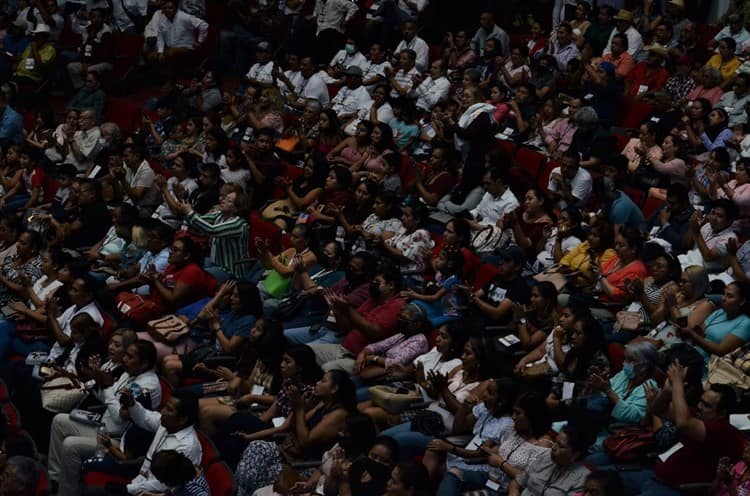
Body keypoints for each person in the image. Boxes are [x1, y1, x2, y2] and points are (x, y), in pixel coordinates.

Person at [47, 340, 162, 496]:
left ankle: (67, 492)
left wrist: (107, 387)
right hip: (102, 425)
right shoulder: (129, 373)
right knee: (59, 420)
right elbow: (106, 399)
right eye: (126, 355)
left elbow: (119, 418)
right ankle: (55, 479)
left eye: (130, 356)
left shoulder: (146, 386)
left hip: (116, 439)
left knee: (70, 445)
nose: (124, 359)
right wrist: (99, 379)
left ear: (144, 363)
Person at [619, 364, 744, 496]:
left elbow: (683, 423)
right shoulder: (698, 416)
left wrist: (678, 384)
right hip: (654, 475)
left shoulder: (725, 431)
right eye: (700, 401)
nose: (699, 406)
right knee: (603, 478)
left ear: (722, 413)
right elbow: (658, 410)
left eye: (706, 405)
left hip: (676, 489)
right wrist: (667, 392)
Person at [234, 370, 356, 495]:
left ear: (334, 389)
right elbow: (294, 426)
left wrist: (299, 408)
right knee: (257, 446)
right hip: (287, 452)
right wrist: (302, 404)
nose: (317, 383)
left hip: (304, 465)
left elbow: (305, 441)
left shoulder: (338, 414)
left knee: (263, 471)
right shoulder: (321, 404)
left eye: (323, 381)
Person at [508, 424, 594, 496]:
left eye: (561, 446)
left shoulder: (583, 478)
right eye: (555, 442)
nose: (553, 447)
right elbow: (517, 482)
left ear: (575, 454)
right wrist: (513, 492)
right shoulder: (545, 455)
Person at [145, 0, 208, 79]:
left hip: (186, 47)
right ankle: (161, 78)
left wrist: (200, 41)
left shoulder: (184, 17)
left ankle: (170, 81)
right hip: (170, 48)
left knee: (171, 53)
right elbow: (160, 34)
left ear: (176, 8)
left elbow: (204, 25)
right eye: (165, 8)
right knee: (152, 56)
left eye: (170, 8)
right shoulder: (162, 18)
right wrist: (160, 51)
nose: (167, 10)